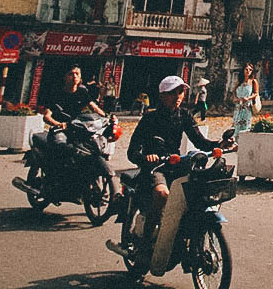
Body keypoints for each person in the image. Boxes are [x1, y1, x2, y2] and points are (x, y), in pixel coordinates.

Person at [127, 76, 232, 247]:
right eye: (172, 93)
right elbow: (132, 151)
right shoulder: (149, 118)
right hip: (156, 168)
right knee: (162, 195)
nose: (178, 97)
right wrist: (146, 158)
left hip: (177, 164)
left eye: (180, 92)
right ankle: (146, 241)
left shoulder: (184, 115)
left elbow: (200, 141)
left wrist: (219, 144)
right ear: (162, 96)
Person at [39, 64, 119, 197]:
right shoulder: (56, 93)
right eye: (71, 73)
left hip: (78, 128)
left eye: (77, 74)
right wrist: (59, 124)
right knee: (61, 147)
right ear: (65, 77)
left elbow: (93, 107)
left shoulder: (82, 92)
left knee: (90, 148)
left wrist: (106, 117)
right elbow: (47, 116)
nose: (74, 76)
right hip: (60, 130)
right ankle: (52, 181)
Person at [231, 63, 260, 136]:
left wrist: (248, 98)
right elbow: (234, 90)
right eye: (246, 69)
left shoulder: (253, 81)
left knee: (245, 125)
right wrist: (235, 98)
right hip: (238, 106)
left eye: (250, 70)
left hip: (247, 106)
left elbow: (256, 93)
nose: (248, 71)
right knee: (236, 124)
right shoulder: (240, 81)